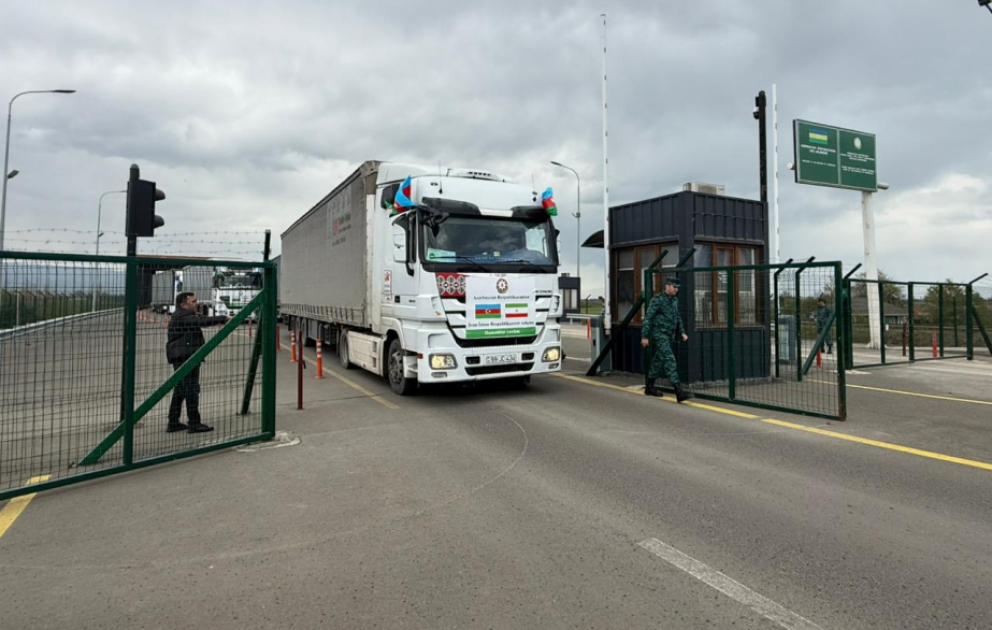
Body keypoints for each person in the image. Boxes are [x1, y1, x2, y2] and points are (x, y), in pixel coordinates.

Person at [166, 292, 229, 433]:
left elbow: (202, 318)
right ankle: (194, 423)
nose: (197, 302)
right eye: (193, 301)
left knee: (181, 389)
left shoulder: (184, 315)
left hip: (183, 355)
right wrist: (223, 318)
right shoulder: (182, 316)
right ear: (184, 304)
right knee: (191, 389)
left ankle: (173, 421)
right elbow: (200, 322)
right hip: (185, 357)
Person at [641, 278, 693, 403]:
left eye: (677, 287)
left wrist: (682, 332)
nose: (676, 289)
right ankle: (678, 391)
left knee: (658, 361)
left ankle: (649, 387)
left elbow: (677, 317)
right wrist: (644, 336)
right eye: (674, 287)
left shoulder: (674, 300)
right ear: (667, 286)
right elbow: (648, 317)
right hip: (659, 335)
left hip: (668, 335)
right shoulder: (657, 300)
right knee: (670, 359)